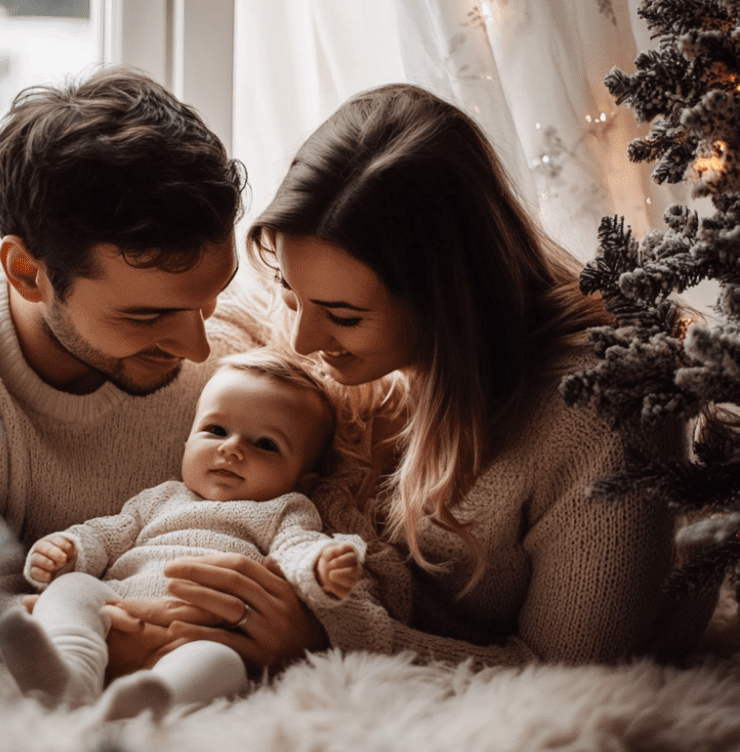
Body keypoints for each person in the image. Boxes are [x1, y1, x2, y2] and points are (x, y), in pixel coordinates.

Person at [123, 83, 716, 667]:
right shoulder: (341, 333)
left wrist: (327, 640)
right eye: (289, 292)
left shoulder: (602, 410)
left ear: (445, 301)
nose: (303, 340)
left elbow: (571, 677)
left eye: (343, 316)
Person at [0, 68, 322, 675]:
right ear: (28, 272)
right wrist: (108, 643)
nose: (196, 347)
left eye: (211, 297)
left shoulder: (241, 357)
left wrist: (307, 627)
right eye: (147, 315)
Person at [0, 349, 371, 718]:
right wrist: (67, 552)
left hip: (200, 636)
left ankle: (148, 705)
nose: (231, 448)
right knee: (72, 588)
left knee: (221, 663)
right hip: (118, 613)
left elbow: (298, 549)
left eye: (265, 444)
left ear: (302, 482)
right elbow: (105, 535)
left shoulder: (285, 509)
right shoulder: (160, 498)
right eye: (216, 430)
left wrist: (322, 566)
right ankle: (72, 675)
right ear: (187, 444)